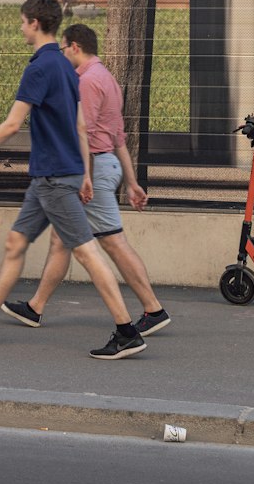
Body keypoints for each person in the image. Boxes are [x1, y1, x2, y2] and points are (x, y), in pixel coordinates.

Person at [0, 0, 148, 360]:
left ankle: (126, 330)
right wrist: (85, 174)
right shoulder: (67, 68)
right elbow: (81, 125)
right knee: (16, 245)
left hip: (54, 176)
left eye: (23, 22)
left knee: (86, 253)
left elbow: (12, 123)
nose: (21, 28)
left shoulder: (40, 68)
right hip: (51, 176)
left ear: (35, 23)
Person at [49, 23, 170, 335]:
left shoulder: (88, 82)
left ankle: (153, 309)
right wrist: (131, 183)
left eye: (64, 48)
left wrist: (84, 179)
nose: (63, 54)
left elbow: (84, 135)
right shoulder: (108, 79)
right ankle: (35, 306)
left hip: (95, 169)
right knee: (61, 239)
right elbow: (119, 138)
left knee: (114, 242)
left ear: (75, 46)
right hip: (108, 165)